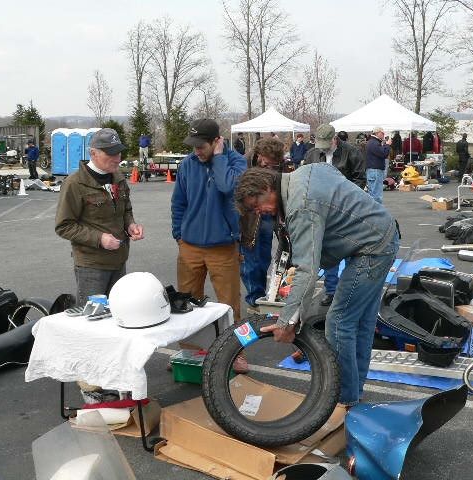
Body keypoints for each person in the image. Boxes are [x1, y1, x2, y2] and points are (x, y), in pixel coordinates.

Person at [234, 164, 400, 407]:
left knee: (339, 321)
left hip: (373, 248)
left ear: (267, 187)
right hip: (381, 232)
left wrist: (287, 320)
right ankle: (354, 391)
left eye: (256, 204)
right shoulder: (304, 172)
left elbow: (307, 270)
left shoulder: (301, 206)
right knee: (361, 320)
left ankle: (343, 398)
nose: (258, 211)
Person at [171, 118, 248, 372]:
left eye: (201, 146)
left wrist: (218, 158)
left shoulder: (236, 161)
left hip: (223, 247)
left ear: (216, 142)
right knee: (187, 304)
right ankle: (190, 353)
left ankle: (235, 353)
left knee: (230, 305)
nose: (196, 151)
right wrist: (179, 235)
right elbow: (179, 202)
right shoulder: (187, 165)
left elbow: (229, 187)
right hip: (190, 246)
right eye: (193, 146)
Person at [55, 128, 144, 306]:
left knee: (118, 314)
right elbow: (64, 226)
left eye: (118, 152)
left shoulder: (118, 178)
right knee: (92, 321)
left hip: (119, 260)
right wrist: (99, 238)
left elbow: (125, 208)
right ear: (93, 153)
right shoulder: (75, 183)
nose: (117, 158)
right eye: (110, 153)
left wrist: (131, 225)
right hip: (92, 266)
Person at [303, 124, 367, 307]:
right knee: (328, 250)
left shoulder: (352, 153)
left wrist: (344, 196)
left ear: (334, 139)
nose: (322, 148)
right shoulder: (312, 154)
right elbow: (305, 178)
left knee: (350, 250)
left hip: (347, 208)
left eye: (326, 143)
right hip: (322, 210)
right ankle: (331, 290)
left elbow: (360, 179)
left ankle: (349, 291)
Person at [240, 137, 285, 311]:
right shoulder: (243, 163)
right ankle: (255, 301)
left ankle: (266, 296)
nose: (271, 168)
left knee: (265, 258)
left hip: (270, 213)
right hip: (250, 218)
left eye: (275, 165)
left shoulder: (279, 164)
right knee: (251, 262)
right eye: (267, 164)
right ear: (259, 155)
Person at [365, 127, 391, 204]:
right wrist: (387, 145)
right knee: (376, 194)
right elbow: (383, 154)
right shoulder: (374, 143)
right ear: (377, 133)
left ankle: (372, 212)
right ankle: (377, 213)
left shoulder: (371, 142)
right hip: (375, 170)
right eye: (382, 133)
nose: (383, 135)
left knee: (372, 193)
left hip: (372, 170)